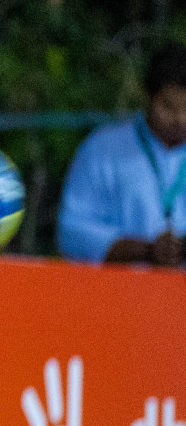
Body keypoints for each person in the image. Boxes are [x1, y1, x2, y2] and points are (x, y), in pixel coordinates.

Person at [58, 41, 186, 265]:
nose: (180, 119)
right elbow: (73, 233)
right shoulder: (102, 149)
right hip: (118, 292)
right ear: (148, 97)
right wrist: (146, 251)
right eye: (168, 106)